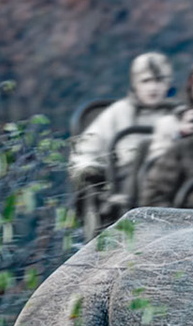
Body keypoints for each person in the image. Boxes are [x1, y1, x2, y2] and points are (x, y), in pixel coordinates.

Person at [70, 52, 179, 225]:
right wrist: (90, 172)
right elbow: (85, 150)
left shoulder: (178, 114)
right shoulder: (118, 112)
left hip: (172, 185)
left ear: (168, 83)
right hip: (128, 187)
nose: (153, 88)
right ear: (135, 83)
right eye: (146, 81)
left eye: (159, 81)